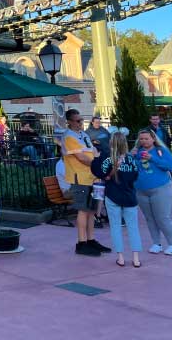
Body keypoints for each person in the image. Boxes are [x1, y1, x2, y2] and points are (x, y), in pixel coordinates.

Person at [61, 108, 110, 256]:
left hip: (91, 177)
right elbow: (81, 157)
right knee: (83, 210)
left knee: (91, 210)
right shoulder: (69, 137)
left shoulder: (83, 134)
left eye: (81, 120)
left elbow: (93, 151)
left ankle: (91, 240)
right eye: (77, 121)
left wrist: (98, 163)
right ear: (69, 122)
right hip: (79, 178)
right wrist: (97, 165)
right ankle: (81, 243)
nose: (80, 123)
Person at [91, 131, 141, 267]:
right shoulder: (131, 159)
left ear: (111, 142)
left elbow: (98, 172)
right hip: (129, 196)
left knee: (115, 227)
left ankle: (121, 257)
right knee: (133, 227)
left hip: (113, 195)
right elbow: (135, 176)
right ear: (125, 143)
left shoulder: (107, 158)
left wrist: (96, 158)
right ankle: (136, 258)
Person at [132, 128, 172, 255]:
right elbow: (133, 168)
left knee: (162, 217)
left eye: (146, 138)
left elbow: (170, 166)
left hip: (161, 188)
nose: (144, 141)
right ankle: (156, 243)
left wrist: (152, 158)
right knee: (149, 218)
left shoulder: (160, 150)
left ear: (153, 139)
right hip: (141, 190)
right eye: (141, 139)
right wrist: (132, 157)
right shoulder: (137, 151)